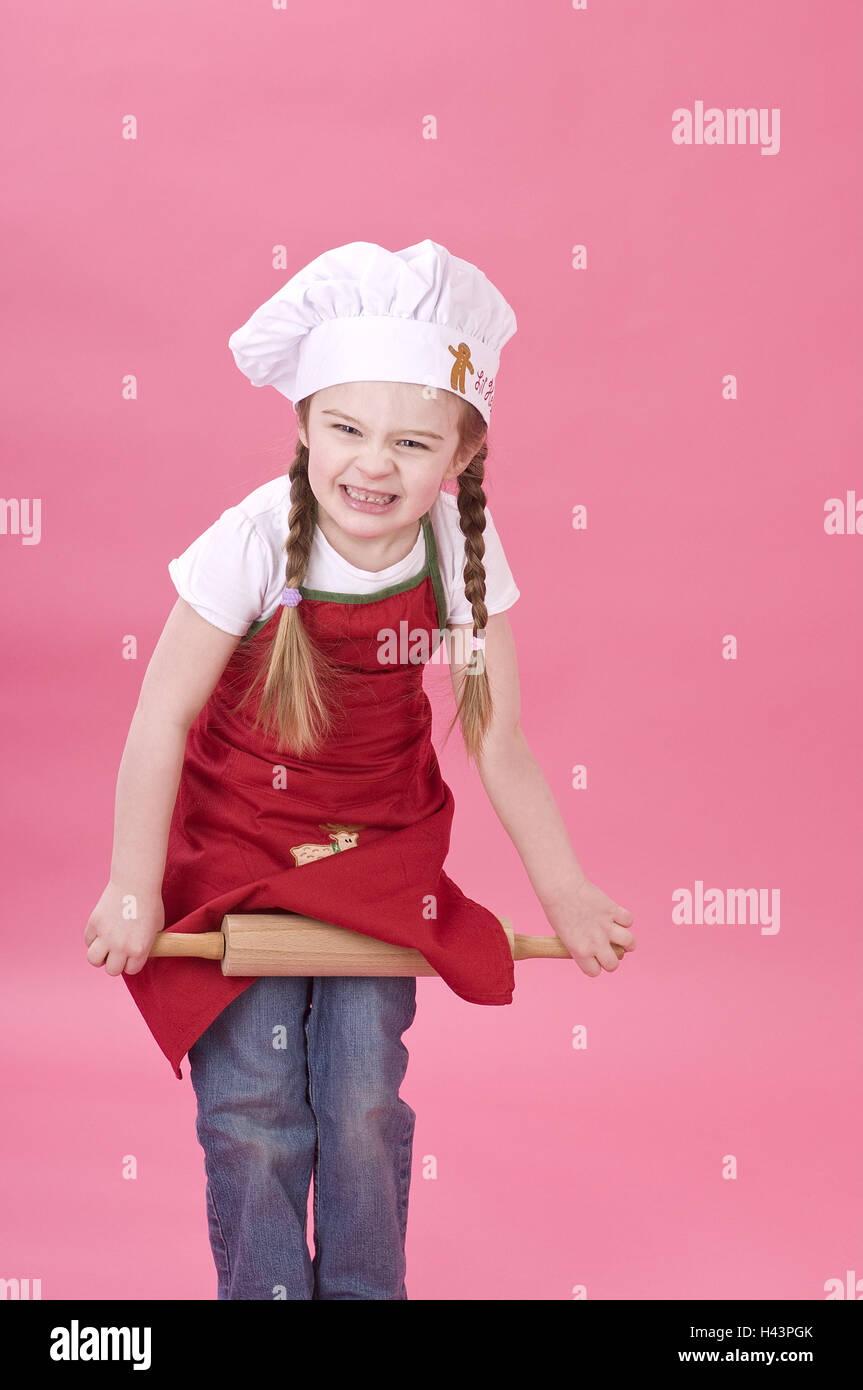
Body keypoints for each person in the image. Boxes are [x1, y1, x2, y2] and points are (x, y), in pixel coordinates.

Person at [84, 238, 636, 1300]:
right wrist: (131, 882)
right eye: (344, 428)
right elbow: (160, 716)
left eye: (412, 440)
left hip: (379, 856)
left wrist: (563, 891)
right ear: (300, 425)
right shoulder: (248, 539)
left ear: (459, 455)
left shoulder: (459, 550)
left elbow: (496, 738)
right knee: (250, 1109)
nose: (372, 464)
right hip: (235, 853)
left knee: (359, 1100)